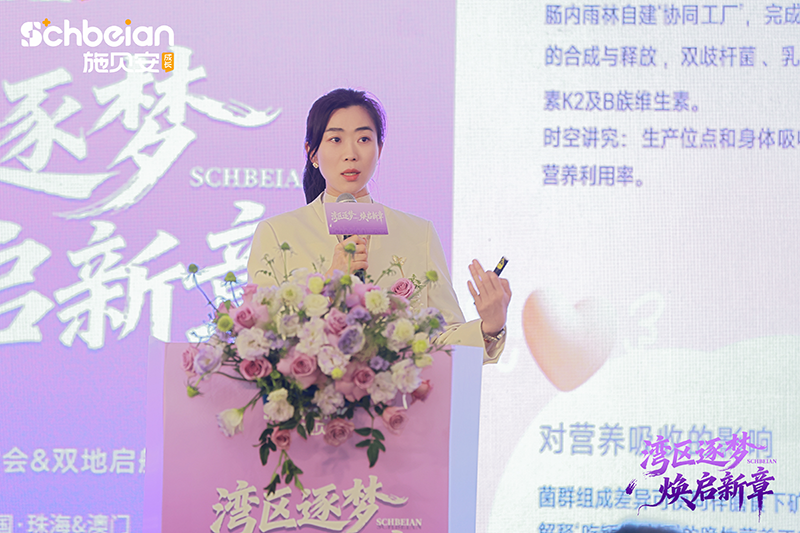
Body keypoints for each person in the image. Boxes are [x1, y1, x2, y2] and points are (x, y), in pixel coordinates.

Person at [247, 88, 511, 363]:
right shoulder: (277, 233)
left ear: (379, 149)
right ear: (312, 152)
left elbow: (442, 339)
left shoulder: (418, 233)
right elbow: (262, 336)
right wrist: (329, 285)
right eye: (336, 139)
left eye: (363, 139)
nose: (351, 153)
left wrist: (490, 327)